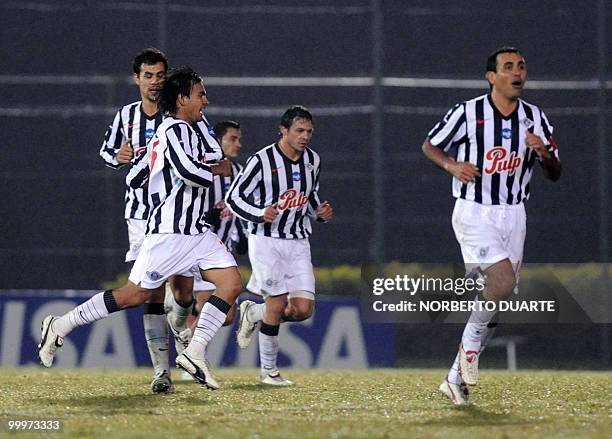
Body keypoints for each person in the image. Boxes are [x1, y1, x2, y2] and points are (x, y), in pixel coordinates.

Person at [38, 67, 243, 393]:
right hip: (169, 232)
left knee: (231, 282)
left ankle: (195, 352)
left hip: (197, 231)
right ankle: (60, 325)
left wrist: (206, 145)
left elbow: (216, 153)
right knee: (135, 295)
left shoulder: (194, 126)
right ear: (181, 99)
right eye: (200, 94)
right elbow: (191, 172)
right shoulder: (171, 129)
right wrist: (210, 168)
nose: (206, 100)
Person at [421, 47, 561, 405]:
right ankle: (468, 351)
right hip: (475, 211)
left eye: (522, 66)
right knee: (501, 282)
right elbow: (430, 145)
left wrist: (543, 151)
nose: (518, 72)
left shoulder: (535, 118)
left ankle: (454, 379)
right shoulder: (468, 113)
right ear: (492, 77)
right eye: (509, 67)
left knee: (498, 299)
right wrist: (452, 166)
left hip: (514, 214)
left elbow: (555, 172)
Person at [98, 49, 225, 393]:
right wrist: (118, 157)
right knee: (150, 292)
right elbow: (108, 154)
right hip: (142, 216)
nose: (155, 82)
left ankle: (181, 328)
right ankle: (161, 372)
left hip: (179, 218)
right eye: (148, 76)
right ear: (137, 79)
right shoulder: (126, 116)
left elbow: (214, 152)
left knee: (183, 293)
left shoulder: (187, 117)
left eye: (160, 76)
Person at [226, 105, 333, 386]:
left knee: (302, 309)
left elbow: (308, 195)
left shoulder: (313, 160)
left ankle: (253, 312)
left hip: (298, 241)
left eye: (309, 131)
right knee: (276, 301)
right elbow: (234, 198)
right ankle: (269, 372)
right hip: (266, 240)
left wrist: (318, 212)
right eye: (299, 130)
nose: (305, 136)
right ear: (283, 130)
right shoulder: (262, 160)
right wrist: (260, 213)